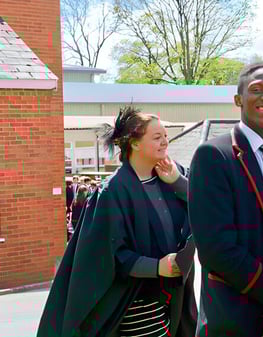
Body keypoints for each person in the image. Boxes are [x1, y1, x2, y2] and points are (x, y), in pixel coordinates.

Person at [38, 106, 197, 336]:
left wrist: (178, 182)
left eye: (165, 136)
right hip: (133, 306)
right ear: (134, 143)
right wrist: (157, 267)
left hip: (173, 300)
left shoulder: (173, 174)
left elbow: (207, 210)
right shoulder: (112, 192)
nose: (165, 142)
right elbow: (106, 254)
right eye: (157, 137)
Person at [189, 61, 263, 337]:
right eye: (257, 89)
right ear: (238, 99)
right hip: (233, 320)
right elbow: (216, 249)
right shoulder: (213, 156)